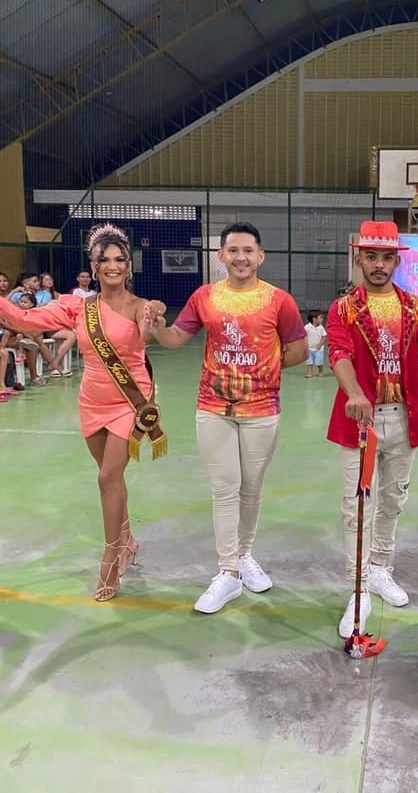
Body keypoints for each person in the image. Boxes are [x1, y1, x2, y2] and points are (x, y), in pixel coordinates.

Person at [145, 221, 307, 614]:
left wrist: (265, 371)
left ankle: (244, 555)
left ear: (260, 256)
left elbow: (299, 349)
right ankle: (228, 571)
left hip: (261, 409)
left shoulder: (279, 301)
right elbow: (175, 338)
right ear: (220, 256)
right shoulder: (205, 297)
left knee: (251, 488)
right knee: (224, 488)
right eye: (233, 250)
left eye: (248, 250)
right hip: (213, 408)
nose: (241, 258)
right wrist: (157, 327)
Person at [0, 222, 167, 602]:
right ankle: (127, 539)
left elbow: (148, 334)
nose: (113, 265)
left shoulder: (140, 306)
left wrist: (154, 316)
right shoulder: (77, 307)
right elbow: (25, 321)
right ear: (93, 266)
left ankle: (110, 555)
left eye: (119, 259)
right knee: (111, 477)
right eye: (104, 259)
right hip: (92, 401)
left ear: (128, 265)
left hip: (130, 400)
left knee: (108, 477)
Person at [326, 219, 418, 638]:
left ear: (397, 261)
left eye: (386, 257)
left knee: (393, 500)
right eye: (371, 257)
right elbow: (338, 353)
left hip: (403, 419)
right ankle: (358, 587)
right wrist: (357, 393)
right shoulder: (344, 309)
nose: (379, 265)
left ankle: (380, 567)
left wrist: (402, 383)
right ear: (358, 259)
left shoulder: (415, 308)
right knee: (356, 504)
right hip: (361, 422)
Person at [304, 309, 327, 377]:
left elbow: (324, 336)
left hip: (319, 349)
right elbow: (304, 336)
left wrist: (320, 344)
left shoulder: (321, 328)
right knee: (309, 361)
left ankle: (320, 371)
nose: (322, 319)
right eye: (320, 317)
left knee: (319, 362)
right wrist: (305, 345)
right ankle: (309, 373)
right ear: (314, 319)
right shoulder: (307, 327)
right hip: (309, 348)